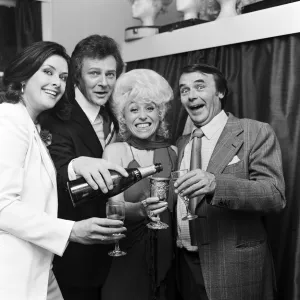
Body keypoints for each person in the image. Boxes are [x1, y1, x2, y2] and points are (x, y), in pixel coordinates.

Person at [0, 41, 126, 300]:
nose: (56, 82)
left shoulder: (30, 124)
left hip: (39, 265)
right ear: (24, 74)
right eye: (48, 72)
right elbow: (2, 207)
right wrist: (71, 230)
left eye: (62, 76)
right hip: (14, 267)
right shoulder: (8, 121)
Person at [173, 63, 286, 300]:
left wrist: (216, 184)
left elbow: (274, 195)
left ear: (220, 92)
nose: (191, 95)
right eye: (184, 90)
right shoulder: (182, 142)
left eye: (200, 86)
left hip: (234, 267)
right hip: (184, 265)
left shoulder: (253, 132)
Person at [41, 35, 128, 300]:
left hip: (116, 251)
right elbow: (55, 168)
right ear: (77, 76)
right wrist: (76, 164)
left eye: (110, 74)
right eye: (94, 73)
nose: (104, 82)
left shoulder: (114, 115)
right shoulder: (55, 115)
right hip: (75, 256)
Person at [101, 69, 177, 300]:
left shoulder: (173, 152)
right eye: (134, 109)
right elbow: (112, 210)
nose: (142, 116)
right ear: (123, 116)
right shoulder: (116, 151)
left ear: (160, 113)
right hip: (128, 255)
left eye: (149, 108)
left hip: (169, 258)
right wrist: (140, 210)